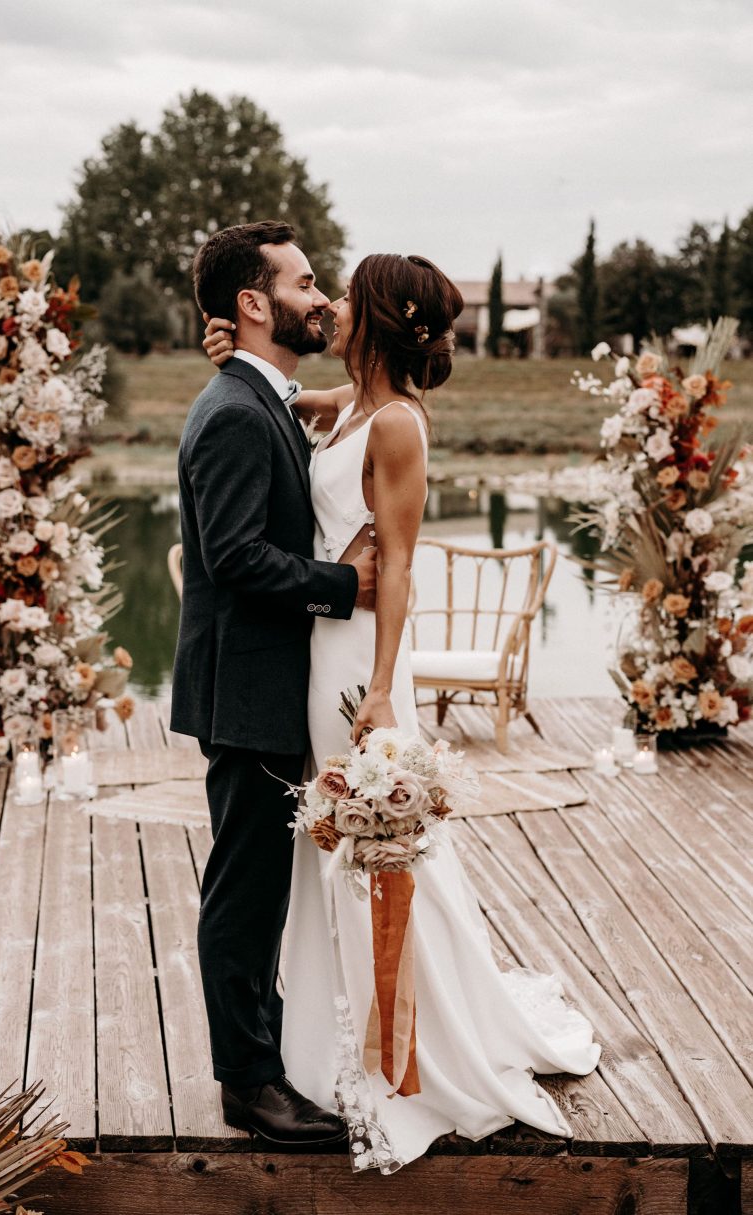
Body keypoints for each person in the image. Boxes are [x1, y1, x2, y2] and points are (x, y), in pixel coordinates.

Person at [203, 248, 601, 1172]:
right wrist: (226, 357)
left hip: (357, 662)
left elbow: (401, 568)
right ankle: (320, 1039)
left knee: (381, 850)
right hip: (314, 651)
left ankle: (411, 1047)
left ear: (376, 315)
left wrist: (383, 690)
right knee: (322, 846)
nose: (331, 304)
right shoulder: (345, 407)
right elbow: (267, 407)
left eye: (343, 294)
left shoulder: (397, 428)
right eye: (321, 290)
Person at [171, 221, 379, 1146]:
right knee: (245, 887)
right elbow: (235, 556)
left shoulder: (261, 400)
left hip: (266, 683)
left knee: (259, 881)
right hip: (248, 688)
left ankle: (264, 1047)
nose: (321, 295)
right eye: (303, 281)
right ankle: (248, 1084)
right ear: (255, 304)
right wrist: (348, 585)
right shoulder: (229, 415)